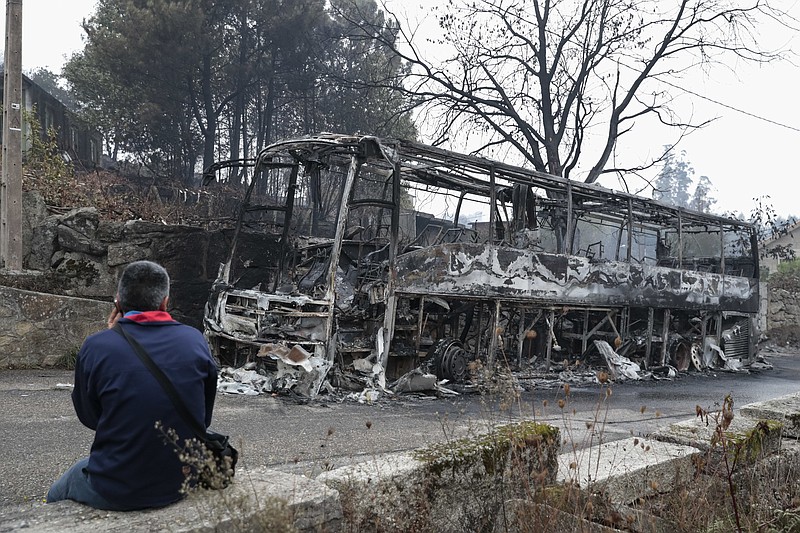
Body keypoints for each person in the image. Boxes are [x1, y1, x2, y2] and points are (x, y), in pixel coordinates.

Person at [47, 260, 218, 511]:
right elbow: (203, 417)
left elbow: (91, 417)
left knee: (56, 493)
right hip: (181, 479)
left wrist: (111, 334)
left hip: (117, 487)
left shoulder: (96, 346)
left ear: (118, 302)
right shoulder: (195, 340)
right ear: (164, 303)